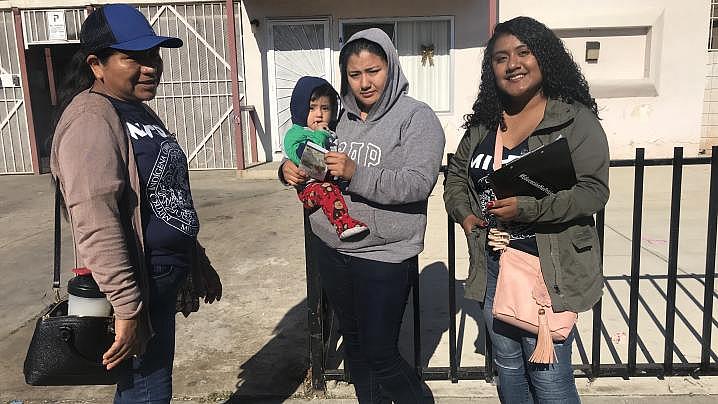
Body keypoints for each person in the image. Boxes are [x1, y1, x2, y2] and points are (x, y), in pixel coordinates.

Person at [49, 4, 221, 403]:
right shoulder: (92, 118)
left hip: (160, 281)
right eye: (136, 57)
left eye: (155, 54)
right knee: (147, 390)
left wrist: (198, 261)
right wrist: (127, 307)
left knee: (146, 386)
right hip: (135, 284)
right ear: (97, 64)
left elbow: (166, 195)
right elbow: (95, 220)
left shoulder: (138, 111)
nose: (152, 66)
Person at [443, 16, 609, 403]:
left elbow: (593, 192)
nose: (512, 64)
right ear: (492, 70)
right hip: (494, 265)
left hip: (547, 269)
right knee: (509, 368)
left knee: (548, 376)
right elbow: (456, 176)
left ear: (544, 57)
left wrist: (528, 208)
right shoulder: (485, 125)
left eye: (523, 52)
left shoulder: (574, 120)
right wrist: (468, 219)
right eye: (501, 58)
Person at [281, 28, 445, 403]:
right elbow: (311, 155)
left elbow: (418, 184)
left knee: (380, 352)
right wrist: (287, 171)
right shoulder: (339, 116)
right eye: (354, 75)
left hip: (383, 255)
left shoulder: (416, 118)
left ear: (391, 66)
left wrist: (358, 173)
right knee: (355, 348)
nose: (364, 83)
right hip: (332, 247)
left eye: (373, 71)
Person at [283, 76, 369, 240]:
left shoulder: (332, 130)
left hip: (329, 182)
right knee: (326, 191)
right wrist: (320, 135)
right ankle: (344, 225)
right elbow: (308, 159)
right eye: (312, 108)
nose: (319, 115)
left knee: (332, 189)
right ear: (300, 108)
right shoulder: (296, 133)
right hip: (310, 187)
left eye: (325, 108)